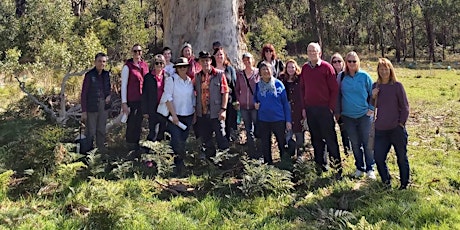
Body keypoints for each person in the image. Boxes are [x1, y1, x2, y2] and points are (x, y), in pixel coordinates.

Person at [299, 42, 342, 179]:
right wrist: (304, 108)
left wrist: (331, 108)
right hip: (311, 109)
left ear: (320, 53)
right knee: (316, 139)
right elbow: (302, 88)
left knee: (330, 139)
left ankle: (337, 168)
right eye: (309, 51)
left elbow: (334, 90)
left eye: (314, 51)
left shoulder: (327, 68)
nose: (312, 53)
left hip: (325, 109)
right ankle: (321, 165)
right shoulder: (305, 68)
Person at [372, 58, 410, 189]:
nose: (384, 72)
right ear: (378, 71)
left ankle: (404, 184)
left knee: (401, 157)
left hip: (396, 129)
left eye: (386, 69)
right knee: (378, 157)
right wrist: (373, 96)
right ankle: (386, 182)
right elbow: (371, 106)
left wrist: (401, 124)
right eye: (381, 69)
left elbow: (405, 107)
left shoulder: (397, 86)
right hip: (381, 130)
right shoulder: (375, 86)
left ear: (390, 70)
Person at [337, 51, 376, 179]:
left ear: (358, 62)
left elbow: (373, 94)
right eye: (349, 61)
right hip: (348, 116)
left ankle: (370, 168)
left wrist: (371, 108)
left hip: (364, 115)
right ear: (346, 63)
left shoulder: (365, 76)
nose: (352, 64)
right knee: (354, 143)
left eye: (354, 61)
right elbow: (337, 95)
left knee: (367, 142)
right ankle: (360, 167)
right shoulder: (341, 77)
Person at [160, 57, 196, 176]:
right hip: (175, 116)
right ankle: (174, 167)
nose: (182, 69)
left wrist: (194, 113)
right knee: (175, 141)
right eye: (180, 67)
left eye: (184, 66)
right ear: (176, 68)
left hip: (188, 115)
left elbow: (192, 98)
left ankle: (181, 166)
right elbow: (167, 98)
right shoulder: (172, 80)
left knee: (183, 141)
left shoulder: (190, 81)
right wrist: (174, 115)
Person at [194, 51, 230, 158]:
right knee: (206, 139)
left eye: (207, 60)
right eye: (202, 60)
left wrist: (223, 109)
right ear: (199, 62)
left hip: (216, 112)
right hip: (203, 113)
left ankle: (225, 161)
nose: (205, 63)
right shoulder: (197, 76)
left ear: (210, 61)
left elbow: (225, 92)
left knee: (221, 137)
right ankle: (211, 163)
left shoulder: (219, 74)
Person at [254, 63, 292, 165]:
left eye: (268, 69)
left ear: (272, 70)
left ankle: (284, 163)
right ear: (260, 72)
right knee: (265, 144)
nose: (266, 71)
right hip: (264, 119)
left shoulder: (279, 84)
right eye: (263, 69)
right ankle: (268, 165)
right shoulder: (257, 86)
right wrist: (255, 104)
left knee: (282, 142)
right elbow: (255, 98)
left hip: (278, 119)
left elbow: (285, 103)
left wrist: (288, 120)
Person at [80, 52, 111, 152]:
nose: (102, 63)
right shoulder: (89, 75)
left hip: (104, 106)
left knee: (101, 130)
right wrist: (84, 111)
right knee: (90, 131)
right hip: (92, 106)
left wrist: (108, 96)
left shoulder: (106, 74)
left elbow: (108, 89)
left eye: (104, 62)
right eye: (99, 61)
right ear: (95, 62)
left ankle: (100, 153)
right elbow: (84, 93)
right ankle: (88, 154)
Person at [121, 44, 149, 151]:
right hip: (131, 100)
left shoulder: (145, 65)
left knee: (138, 124)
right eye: (135, 51)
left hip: (142, 100)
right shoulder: (127, 67)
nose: (137, 53)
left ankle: (137, 148)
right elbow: (124, 85)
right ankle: (129, 148)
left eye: (139, 51)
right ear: (132, 52)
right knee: (131, 124)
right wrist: (124, 103)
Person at [235, 52, 259, 157]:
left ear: (252, 60)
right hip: (244, 106)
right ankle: (252, 153)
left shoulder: (258, 73)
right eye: (245, 60)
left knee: (258, 129)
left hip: (255, 106)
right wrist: (239, 100)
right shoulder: (240, 74)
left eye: (248, 59)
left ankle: (260, 152)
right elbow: (237, 89)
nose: (247, 61)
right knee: (248, 130)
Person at [279, 59, 304, 157]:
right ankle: (288, 155)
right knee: (288, 133)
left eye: (292, 67)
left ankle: (300, 156)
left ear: (296, 68)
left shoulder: (300, 79)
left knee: (299, 132)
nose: (291, 69)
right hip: (286, 108)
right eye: (289, 67)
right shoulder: (282, 80)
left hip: (297, 108)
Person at [212, 47, 238, 142]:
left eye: (221, 54)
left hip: (229, 99)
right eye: (218, 54)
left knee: (228, 121)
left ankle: (227, 142)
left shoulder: (229, 69)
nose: (220, 56)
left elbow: (234, 84)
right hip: (215, 100)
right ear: (214, 56)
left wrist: (236, 100)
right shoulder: (212, 70)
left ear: (225, 56)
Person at [142, 54, 167, 142]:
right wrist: (145, 111)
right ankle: (148, 152)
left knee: (163, 132)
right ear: (154, 64)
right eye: (157, 63)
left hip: (164, 108)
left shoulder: (167, 77)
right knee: (153, 132)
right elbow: (144, 94)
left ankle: (160, 153)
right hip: (152, 108)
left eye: (161, 63)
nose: (159, 65)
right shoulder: (148, 77)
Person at [331, 53, 351, 155]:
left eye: (339, 61)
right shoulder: (330, 75)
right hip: (332, 107)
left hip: (345, 107)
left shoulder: (346, 75)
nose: (337, 63)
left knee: (345, 131)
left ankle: (348, 152)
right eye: (334, 61)